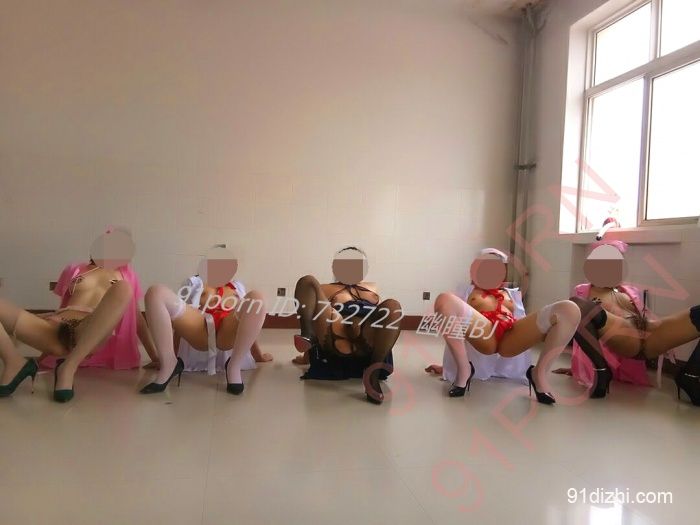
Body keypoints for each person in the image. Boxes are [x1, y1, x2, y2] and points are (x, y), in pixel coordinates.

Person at [0, 229, 148, 402]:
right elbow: (65, 305)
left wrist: (156, 356)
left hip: (89, 329)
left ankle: (68, 367)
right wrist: (45, 317)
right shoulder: (75, 269)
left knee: (123, 288)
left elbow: (137, 320)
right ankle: (14, 362)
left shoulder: (126, 277)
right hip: (56, 325)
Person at [433, 248, 580, 404]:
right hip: (485, 333)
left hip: (511, 334)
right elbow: (452, 319)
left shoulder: (511, 293)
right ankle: (465, 370)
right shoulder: (468, 291)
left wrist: (511, 259)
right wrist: (448, 367)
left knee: (569, 309)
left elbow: (525, 276)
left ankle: (538, 374)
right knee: (444, 299)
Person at [568, 240, 700, 405]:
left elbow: (643, 317)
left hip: (652, 333)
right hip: (629, 341)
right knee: (576, 305)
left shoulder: (629, 291)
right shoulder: (583, 292)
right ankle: (602, 371)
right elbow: (580, 329)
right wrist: (578, 366)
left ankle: (691, 375)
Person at [140, 248, 266, 396]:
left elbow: (248, 322)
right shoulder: (194, 282)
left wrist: (258, 355)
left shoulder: (237, 287)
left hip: (227, 331)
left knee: (257, 297)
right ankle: (169, 364)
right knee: (155, 292)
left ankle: (233, 366)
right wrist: (169, 353)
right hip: (201, 329)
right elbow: (179, 320)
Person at [293, 247, 402, 405]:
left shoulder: (372, 287)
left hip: (365, 334)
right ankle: (308, 335)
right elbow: (316, 315)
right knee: (307, 281)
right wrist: (306, 356)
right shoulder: (325, 288)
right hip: (336, 329)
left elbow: (383, 320)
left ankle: (373, 373)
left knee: (393, 305)